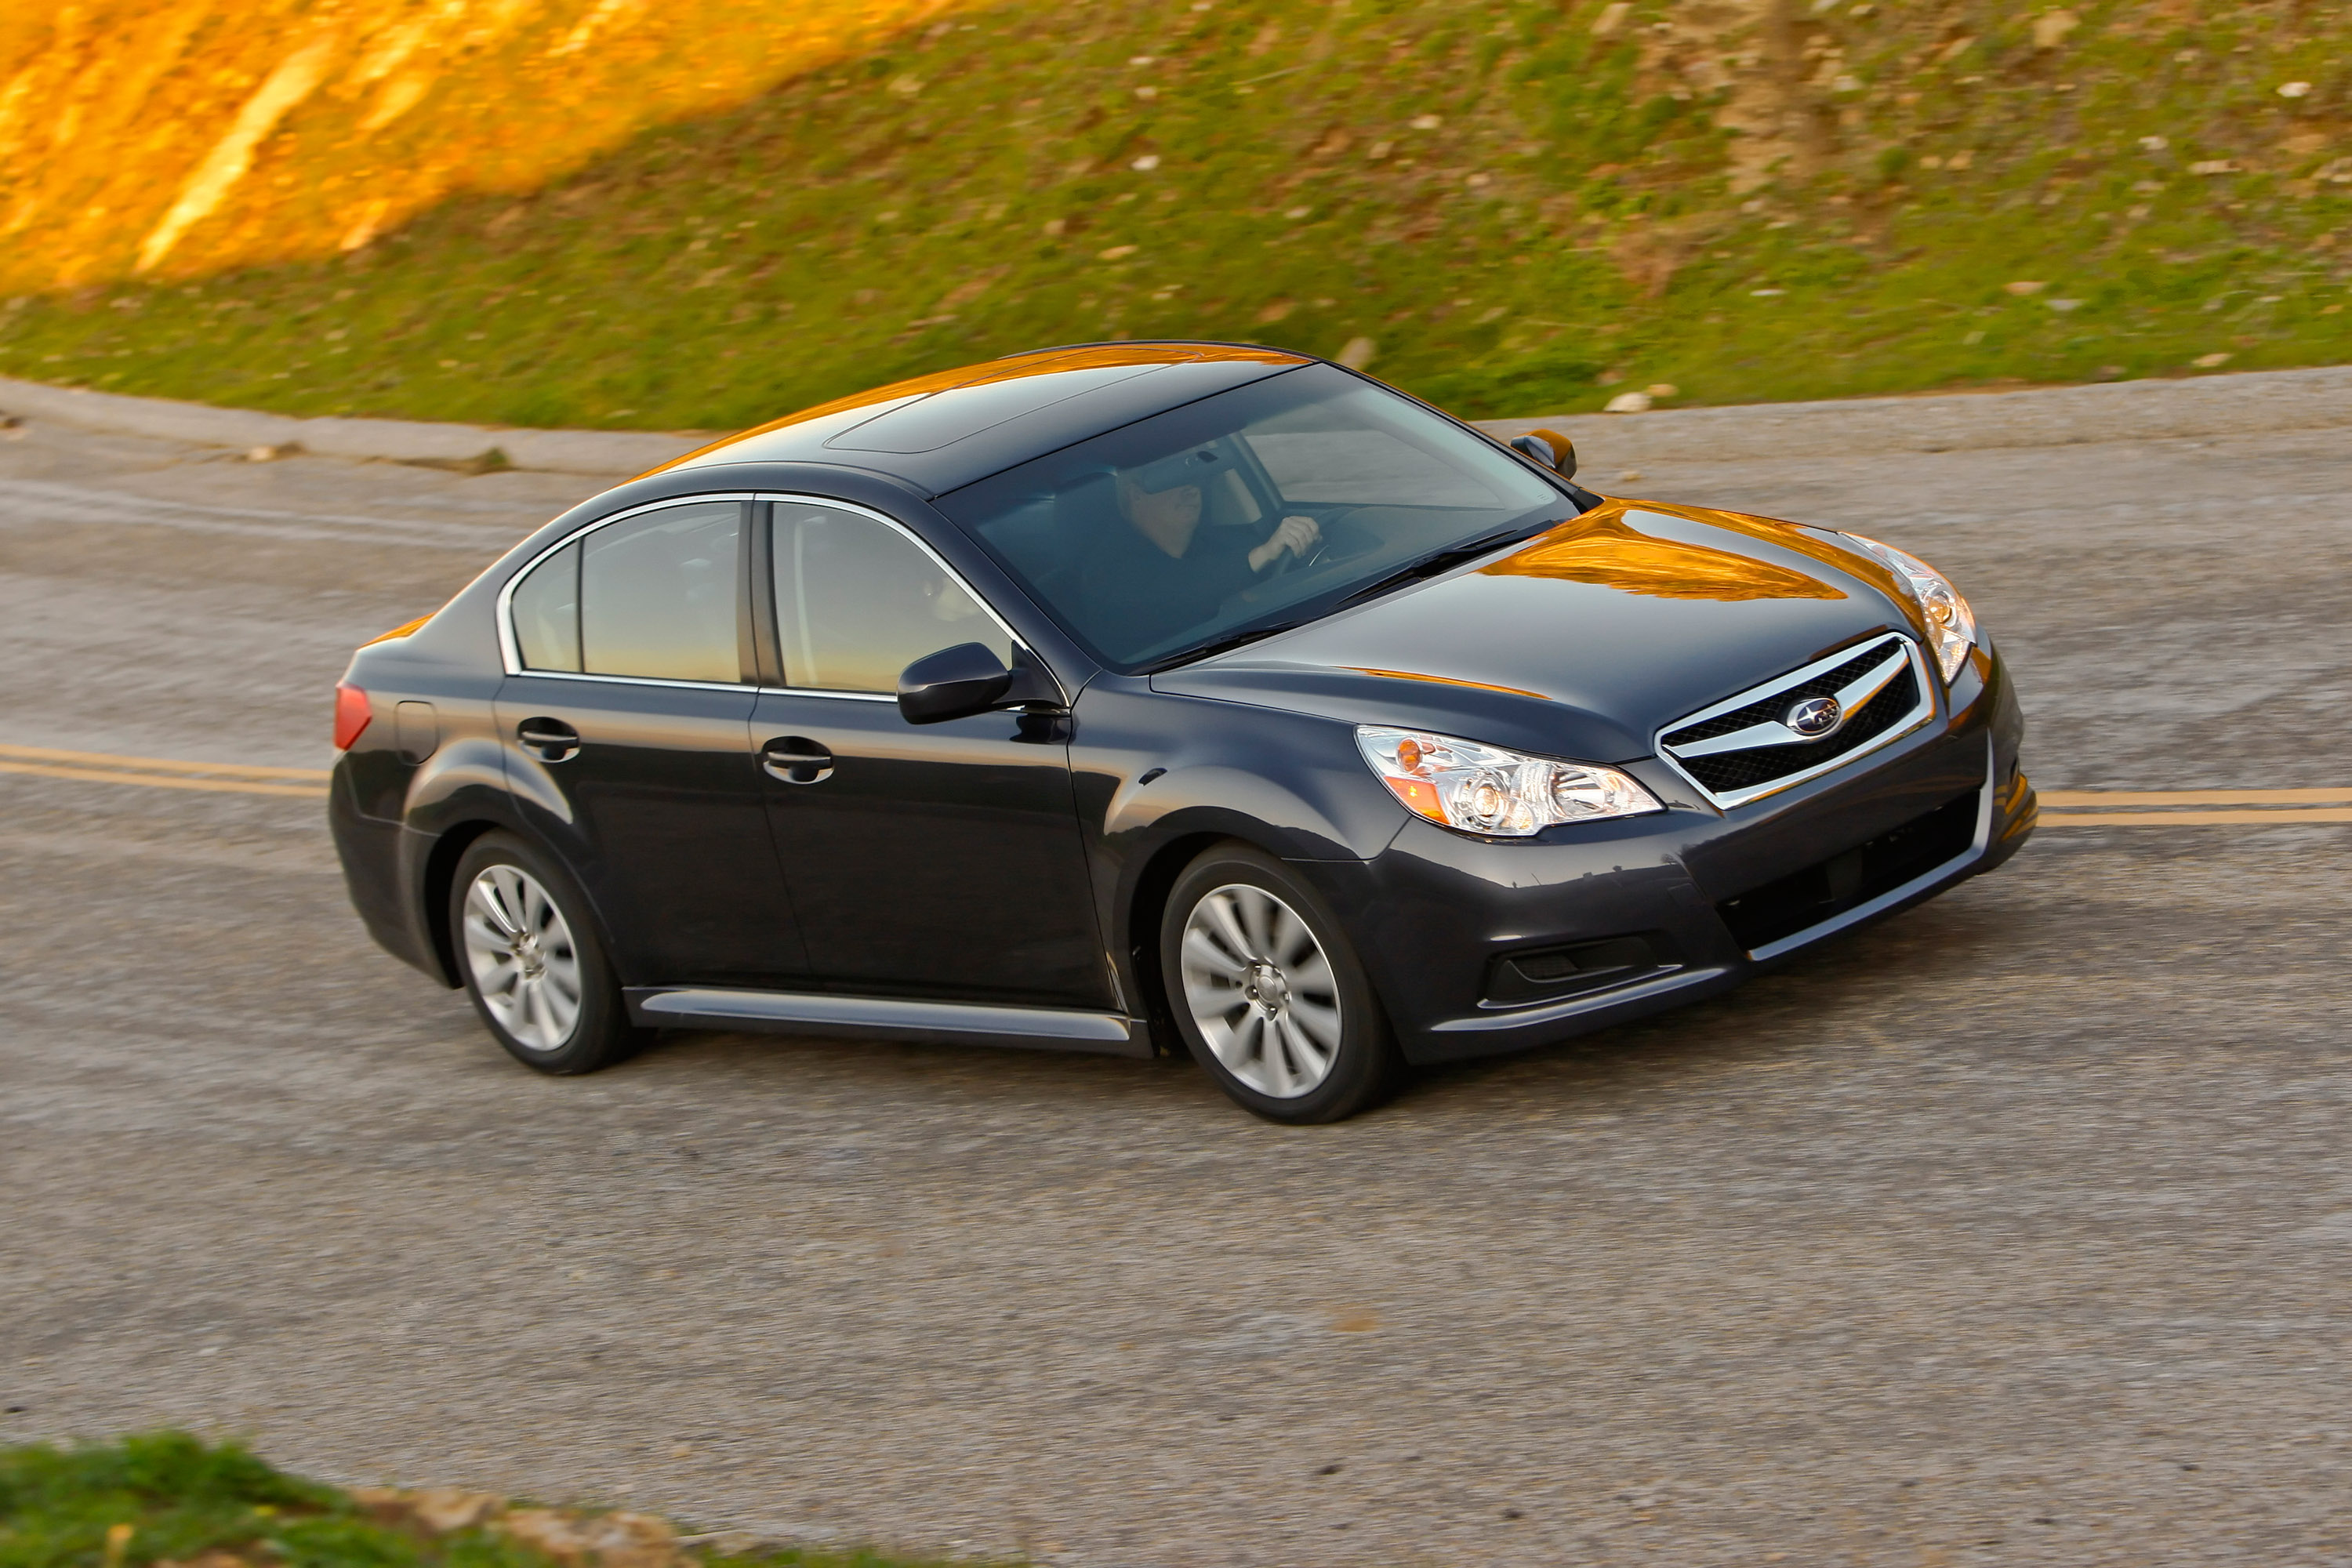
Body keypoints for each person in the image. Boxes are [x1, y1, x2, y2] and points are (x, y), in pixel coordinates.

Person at [1077, 451, 1322, 655]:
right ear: (1136, 495)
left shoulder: (1214, 542)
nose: (1192, 489)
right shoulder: (1107, 573)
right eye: (1174, 478)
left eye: (1194, 477)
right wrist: (1262, 555)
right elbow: (1174, 592)